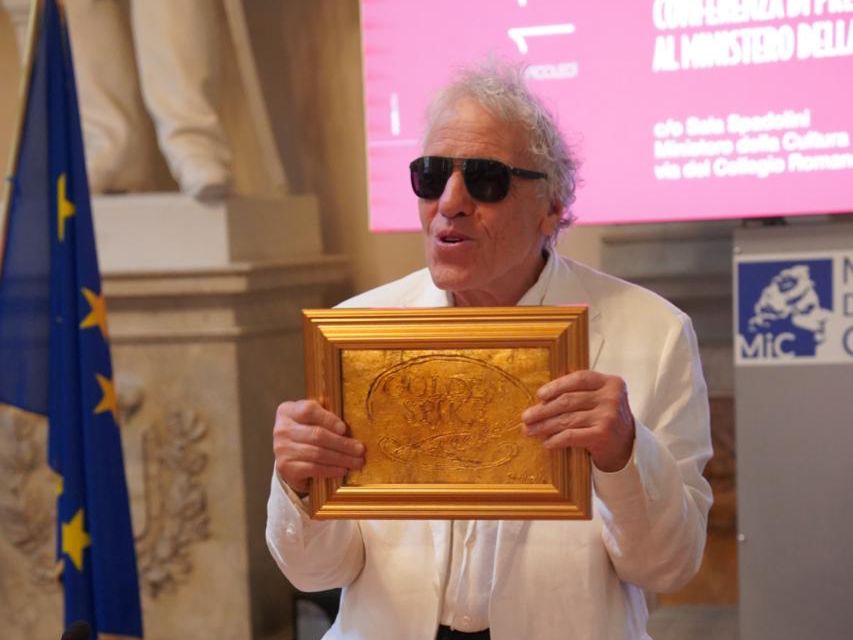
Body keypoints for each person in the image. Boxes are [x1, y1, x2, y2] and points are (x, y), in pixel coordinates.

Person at [266, 61, 713, 640]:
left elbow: (667, 568)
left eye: (485, 180)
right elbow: (316, 571)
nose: (450, 202)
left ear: (552, 205)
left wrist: (624, 454)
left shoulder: (654, 334)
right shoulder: (359, 333)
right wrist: (300, 484)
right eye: (431, 176)